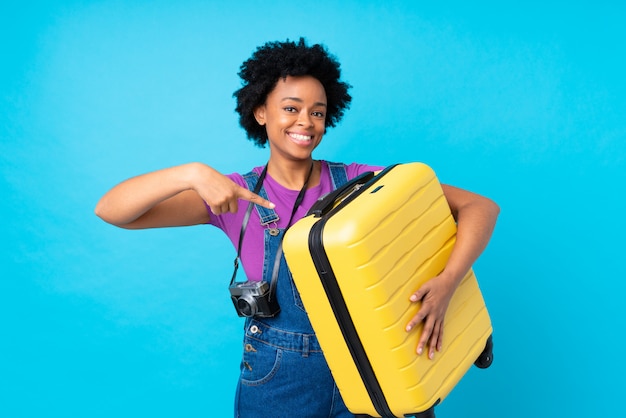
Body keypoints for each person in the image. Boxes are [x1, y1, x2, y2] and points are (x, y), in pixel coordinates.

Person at [95, 38, 499, 418]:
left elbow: (479, 207)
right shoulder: (232, 195)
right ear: (261, 112)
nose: (306, 122)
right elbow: (112, 210)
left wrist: (448, 282)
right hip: (278, 381)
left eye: (317, 112)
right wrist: (191, 173)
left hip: (373, 365)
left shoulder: (361, 183)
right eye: (291, 108)